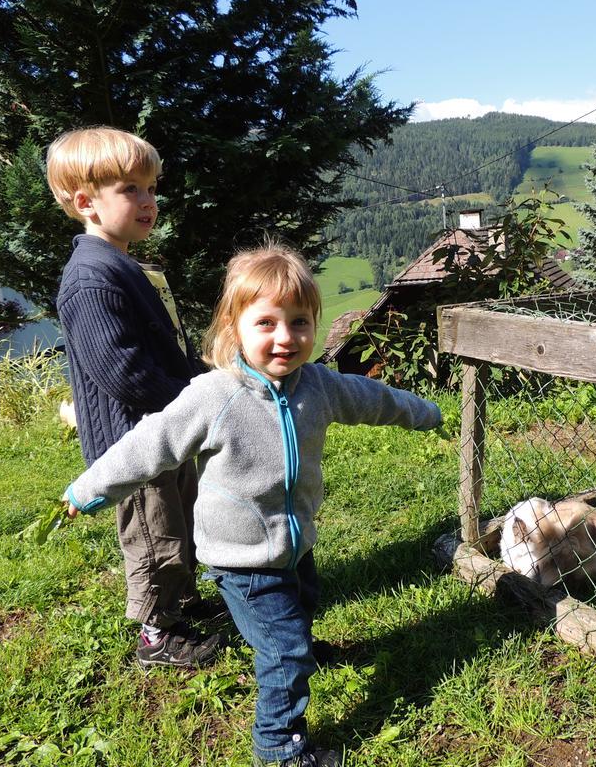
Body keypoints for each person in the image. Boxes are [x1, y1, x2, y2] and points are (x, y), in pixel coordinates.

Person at [62, 244, 444, 767]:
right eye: (266, 322)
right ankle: (278, 748)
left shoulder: (318, 386)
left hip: (294, 543)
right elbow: (149, 443)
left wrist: (422, 412)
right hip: (240, 558)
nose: (285, 337)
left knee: (300, 610)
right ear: (233, 327)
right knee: (282, 652)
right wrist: (92, 487)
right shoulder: (214, 395)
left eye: (300, 321)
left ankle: (297, 649)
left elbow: (372, 398)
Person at [47, 126, 221, 669]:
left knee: (182, 516)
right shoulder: (92, 279)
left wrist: (201, 378)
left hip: (164, 428)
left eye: (150, 188)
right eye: (130, 190)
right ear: (85, 203)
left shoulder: (123, 265)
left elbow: (161, 346)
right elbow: (123, 371)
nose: (148, 202)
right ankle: (156, 635)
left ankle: (179, 604)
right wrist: (189, 399)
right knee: (154, 532)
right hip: (134, 439)